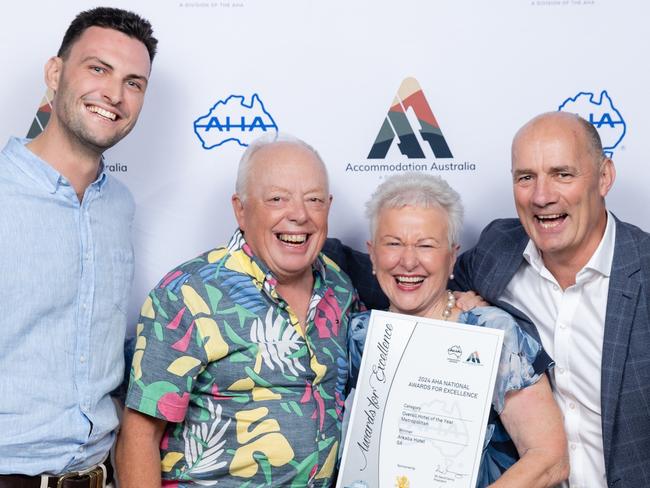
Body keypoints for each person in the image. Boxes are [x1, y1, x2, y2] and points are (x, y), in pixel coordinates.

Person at [115, 134, 361, 487]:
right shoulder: (187, 293)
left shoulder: (339, 288)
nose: (300, 215)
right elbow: (139, 437)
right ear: (241, 209)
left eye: (314, 200)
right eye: (277, 199)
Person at [0, 7, 157, 487]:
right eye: (98, 69)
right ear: (54, 73)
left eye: (134, 82)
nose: (114, 94)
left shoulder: (119, 207)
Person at [453, 111, 650, 487]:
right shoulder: (497, 250)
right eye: (526, 178)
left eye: (563, 174)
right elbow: (418, 275)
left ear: (604, 177)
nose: (542, 197)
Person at [347, 172, 568, 486]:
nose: (408, 262)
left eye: (426, 245)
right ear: (372, 254)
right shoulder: (358, 336)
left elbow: (549, 459)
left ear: (452, 258)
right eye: (393, 243)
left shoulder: (491, 333)